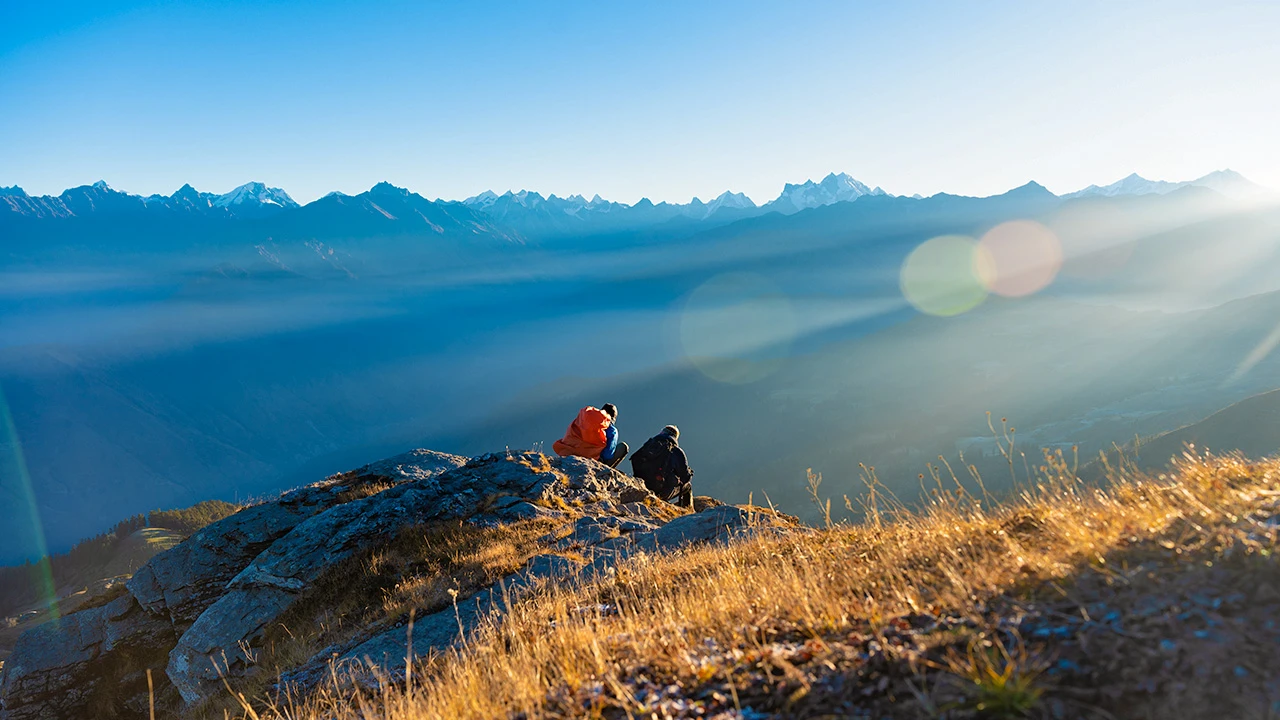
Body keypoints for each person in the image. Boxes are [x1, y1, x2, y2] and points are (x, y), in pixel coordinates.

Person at [629, 425, 693, 507]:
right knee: (688, 487)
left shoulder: (649, 444)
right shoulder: (676, 451)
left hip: (641, 486)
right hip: (661, 492)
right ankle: (687, 511)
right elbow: (685, 477)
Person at [552, 403, 629, 469]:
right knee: (623, 447)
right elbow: (608, 455)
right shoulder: (612, 430)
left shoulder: (582, 420)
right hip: (593, 462)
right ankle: (606, 471)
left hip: (569, 454)